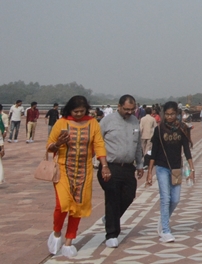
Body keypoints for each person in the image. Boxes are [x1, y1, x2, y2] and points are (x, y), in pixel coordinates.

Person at [46, 95, 109, 258]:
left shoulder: (93, 123)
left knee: (78, 206)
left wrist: (104, 166)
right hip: (63, 169)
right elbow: (49, 147)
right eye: (76, 111)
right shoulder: (61, 123)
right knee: (63, 204)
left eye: (82, 111)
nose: (79, 114)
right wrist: (59, 143)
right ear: (69, 110)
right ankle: (57, 232)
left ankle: (69, 241)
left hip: (84, 170)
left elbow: (99, 144)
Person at [145, 101, 194, 242]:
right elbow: (153, 153)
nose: (170, 117)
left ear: (177, 114)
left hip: (176, 168)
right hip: (161, 167)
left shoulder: (183, 128)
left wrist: (192, 168)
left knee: (176, 199)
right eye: (167, 114)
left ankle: (163, 219)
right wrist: (149, 173)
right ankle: (165, 231)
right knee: (165, 198)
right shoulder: (159, 130)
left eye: (172, 114)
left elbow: (187, 150)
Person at [99, 95, 144, 248]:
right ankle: (112, 234)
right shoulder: (107, 121)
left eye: (132, 109)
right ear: (118, 106)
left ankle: (111, 218)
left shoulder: (135, 121)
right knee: (112, 198)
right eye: (126, 109)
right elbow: (97, 142)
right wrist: (100, 163)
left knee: (129, 195)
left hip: (128, 167)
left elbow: (137, 145)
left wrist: (140, 164)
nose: (129, 112)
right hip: (110, 166)